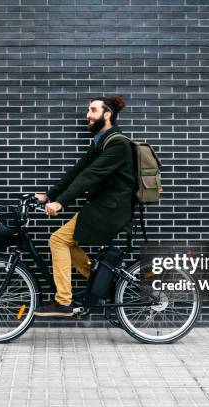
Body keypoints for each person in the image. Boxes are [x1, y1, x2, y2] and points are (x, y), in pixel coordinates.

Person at [33, 95, 135, 317]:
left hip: (111, 209)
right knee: (66, 243)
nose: (87, 115)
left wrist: (61, 202)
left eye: (93, 110)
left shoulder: (117, 142)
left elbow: (91, 176)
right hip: (102, 207)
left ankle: (63, 302)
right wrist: (48, 195)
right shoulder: (102, 142)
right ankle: (102, 280)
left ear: (107, 115)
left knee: (58, 240)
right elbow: (77, 171)